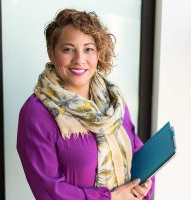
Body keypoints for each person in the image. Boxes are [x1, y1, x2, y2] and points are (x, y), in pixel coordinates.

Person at [17, 8, 155, 200]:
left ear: (98, 53)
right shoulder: (36, 113)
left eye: (88, 49)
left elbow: (135, 150)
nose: (79, 59)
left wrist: (144, 183)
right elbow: (49, 190)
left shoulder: (113, 100)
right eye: (68, 49)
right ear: (51, 53)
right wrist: (112, 198)